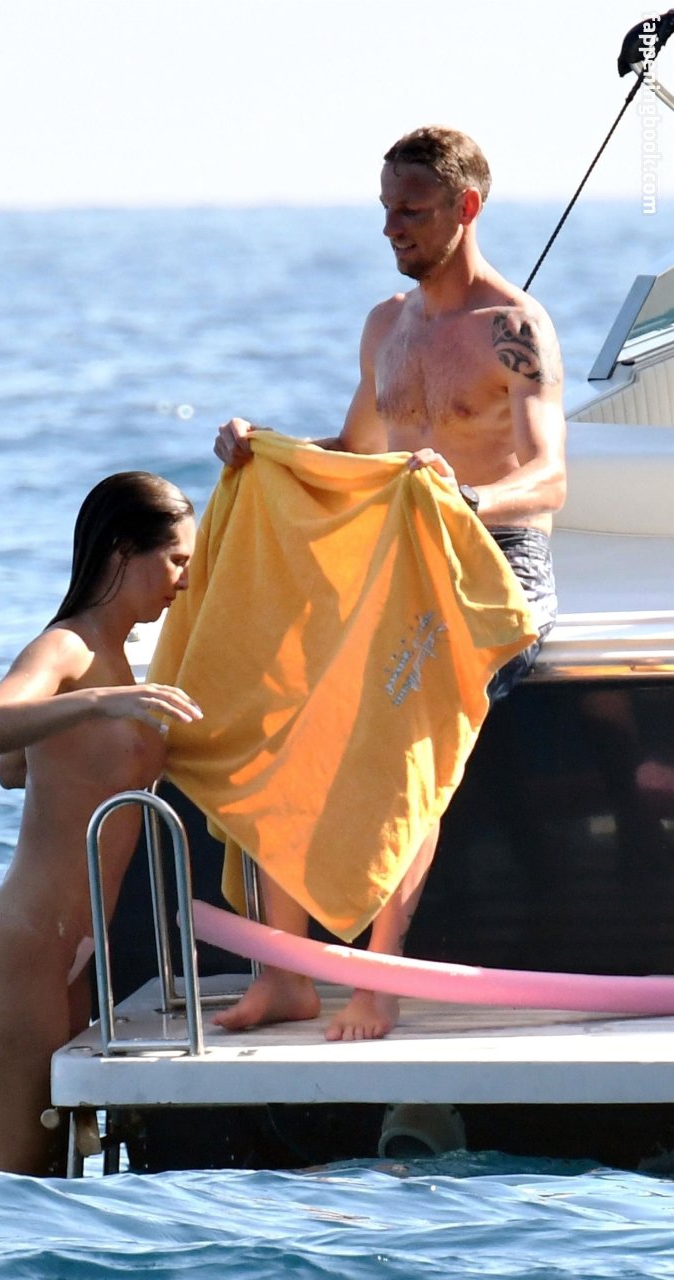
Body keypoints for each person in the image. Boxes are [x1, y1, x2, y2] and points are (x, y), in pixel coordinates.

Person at [212, 125, 566, 1043]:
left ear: (465, 208)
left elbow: (549, 478)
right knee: (276, 709)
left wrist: (466, 498)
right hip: (396, 566)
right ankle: (286, 977)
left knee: (398, 736)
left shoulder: (512, 330)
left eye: (410, 210)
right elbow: (354, 451)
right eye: (385, 209)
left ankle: (376, 982)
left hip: (493, 569)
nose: (390, 227)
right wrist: (263, 450)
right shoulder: (386, 325)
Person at [0, 471, 203, 1175]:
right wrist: (98, 704)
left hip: (79, 950)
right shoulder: (68, 648)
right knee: (25, 1180)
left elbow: (13, 768)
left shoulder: (123, 659)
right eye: (175, 560)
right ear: (123, 550)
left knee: (66, 1175)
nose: (184, 580)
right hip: (21, 947)